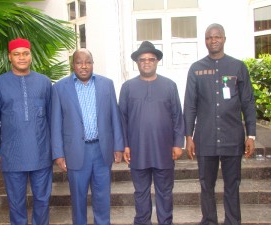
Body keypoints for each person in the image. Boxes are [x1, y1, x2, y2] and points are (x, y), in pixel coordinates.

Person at [184, 23, 256, 225]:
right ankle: (209, 220)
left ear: (224, 39)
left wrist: (251, 135)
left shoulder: (238, 67)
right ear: (205, 41)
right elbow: (190, 105)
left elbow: (248, 102)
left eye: (216, 37)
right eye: (208, 37)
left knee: (232, 185)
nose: (212, 40)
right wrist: (188, 136)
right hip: (205, 139)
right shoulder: (196, 69)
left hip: (232, 138)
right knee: (206, 185)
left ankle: (233, 221)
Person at [51, 48, 124, 225]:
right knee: (78, 199)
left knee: (102, 198)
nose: (84, 66)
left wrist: (118, 146)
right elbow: (55, 123)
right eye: (79, 62)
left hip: (101, 150)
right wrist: (58, 154)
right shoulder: (60, 88)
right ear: (73, 64)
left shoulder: (106, 84)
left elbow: (115, 116)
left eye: (88, 62)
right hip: (75, 152)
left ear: (92, 63)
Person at [0, 38, 53, 225]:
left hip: (41, 153)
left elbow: (52, 118)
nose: (21, 57)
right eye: (17, 54)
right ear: (10, 57)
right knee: (16, 203)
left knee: (42, 200)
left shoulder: (44, 82)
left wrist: (55, 151)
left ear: (31, 56)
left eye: (25, 53)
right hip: (11, 155)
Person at [119, 41, 185, 225]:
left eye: (151, 59)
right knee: (141, 193)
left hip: (164, 150)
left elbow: (177, 116)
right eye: (142, 59)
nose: (147, 62)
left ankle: (166, 222)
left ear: (157, 62)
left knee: (165, 192)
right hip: (138, 150)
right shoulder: (128, 87)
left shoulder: (170, 86)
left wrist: (178, 143)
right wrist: (124, 144)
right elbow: (121, 118)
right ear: (137, 63)